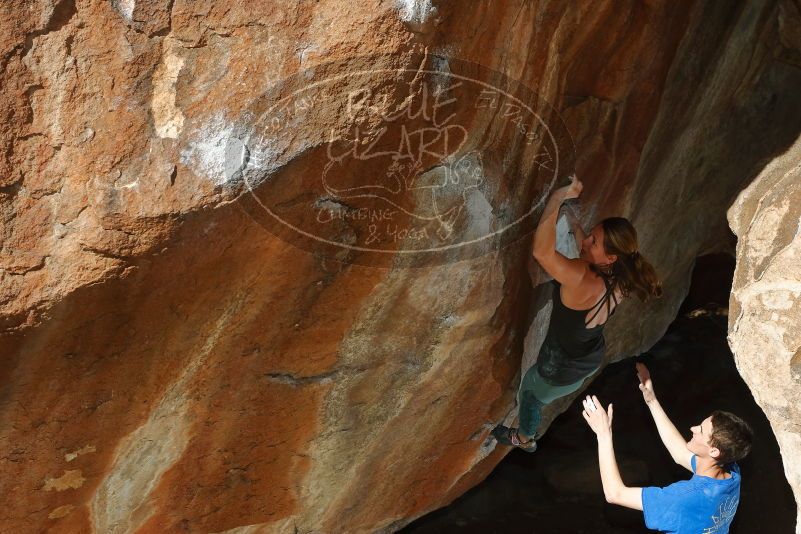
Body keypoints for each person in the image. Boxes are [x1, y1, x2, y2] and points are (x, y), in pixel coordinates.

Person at [492, 176, 662, 451]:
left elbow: (542, 253)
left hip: (559, 368)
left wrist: (558, 198)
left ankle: (524, 439)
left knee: (531, 395)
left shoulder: (581, 277)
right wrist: (577, 228)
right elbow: (588, 246)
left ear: (610, 258)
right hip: (590, 358)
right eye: (591, 235)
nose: (586, 242)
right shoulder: (622, 277)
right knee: (541, 391)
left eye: (593, 242)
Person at [582, 362, 753, 533]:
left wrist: (604, 433)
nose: (693, 429)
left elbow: (615, 494)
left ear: (714, 451)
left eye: (701, 431)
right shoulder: (731, 473)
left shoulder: (682, 498)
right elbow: (679, 453)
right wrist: (652, 401)